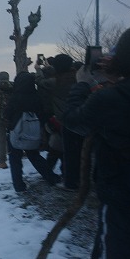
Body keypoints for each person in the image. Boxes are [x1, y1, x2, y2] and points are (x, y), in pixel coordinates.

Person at [63, 19, 130, 259]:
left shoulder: (112, 99)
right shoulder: (117, 94)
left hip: (125, 205)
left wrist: (82, 84)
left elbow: (73, 121)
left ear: (125, 57)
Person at [4, 72, 61, 192]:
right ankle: (51, 178)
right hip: (32, 133)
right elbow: (43, 114)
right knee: (34, 156)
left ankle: (19, 186)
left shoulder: (15, 97)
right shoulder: (37, 96)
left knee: (15, 159)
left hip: (16, 133)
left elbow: (7, 114)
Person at [35, 53, 81, 190]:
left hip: (66, 120)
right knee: (79, 151)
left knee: (68, 152)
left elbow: (40, 82)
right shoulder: (78, 77)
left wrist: (38, 68)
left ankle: (71, 182)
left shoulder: (56, 82)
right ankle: (81, 179)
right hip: (82, 117)